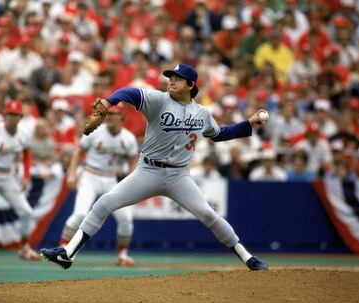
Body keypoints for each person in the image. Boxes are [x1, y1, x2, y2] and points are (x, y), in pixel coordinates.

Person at [40, 63, 269, 271]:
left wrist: (248, 123)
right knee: (104, 203)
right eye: (170, 76)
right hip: (147, 171)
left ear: (190, 84)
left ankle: (247, 257)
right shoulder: (159, 100)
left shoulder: (202, 113)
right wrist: (110, 101)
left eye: (178, 78)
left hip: (179, 176)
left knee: (208, 215)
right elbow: (129, 92)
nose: (171, 80)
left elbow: (220, 134)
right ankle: (68, 253)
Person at [61, 103, 139, 266]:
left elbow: (133, 159)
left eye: (114, 114)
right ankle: (63, 248)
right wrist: (72, 173)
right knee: (81, 214)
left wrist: (131, 179)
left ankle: (122, 255)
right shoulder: (94, 131)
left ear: (122, 117)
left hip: (111, 179)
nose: (110, 117)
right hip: (90, 175)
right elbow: (78, 151)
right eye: (108, 114)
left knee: (125, 217)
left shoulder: (128, 138)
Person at [0, 100, 39, 260]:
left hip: (6, 176)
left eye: (16, 115)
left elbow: (27, 156)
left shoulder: (23, 133)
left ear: (20, 117)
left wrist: (26, 176)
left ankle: (24, 247)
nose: (12, 118)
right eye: (10, 114)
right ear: (5, 115)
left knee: (26, 212)